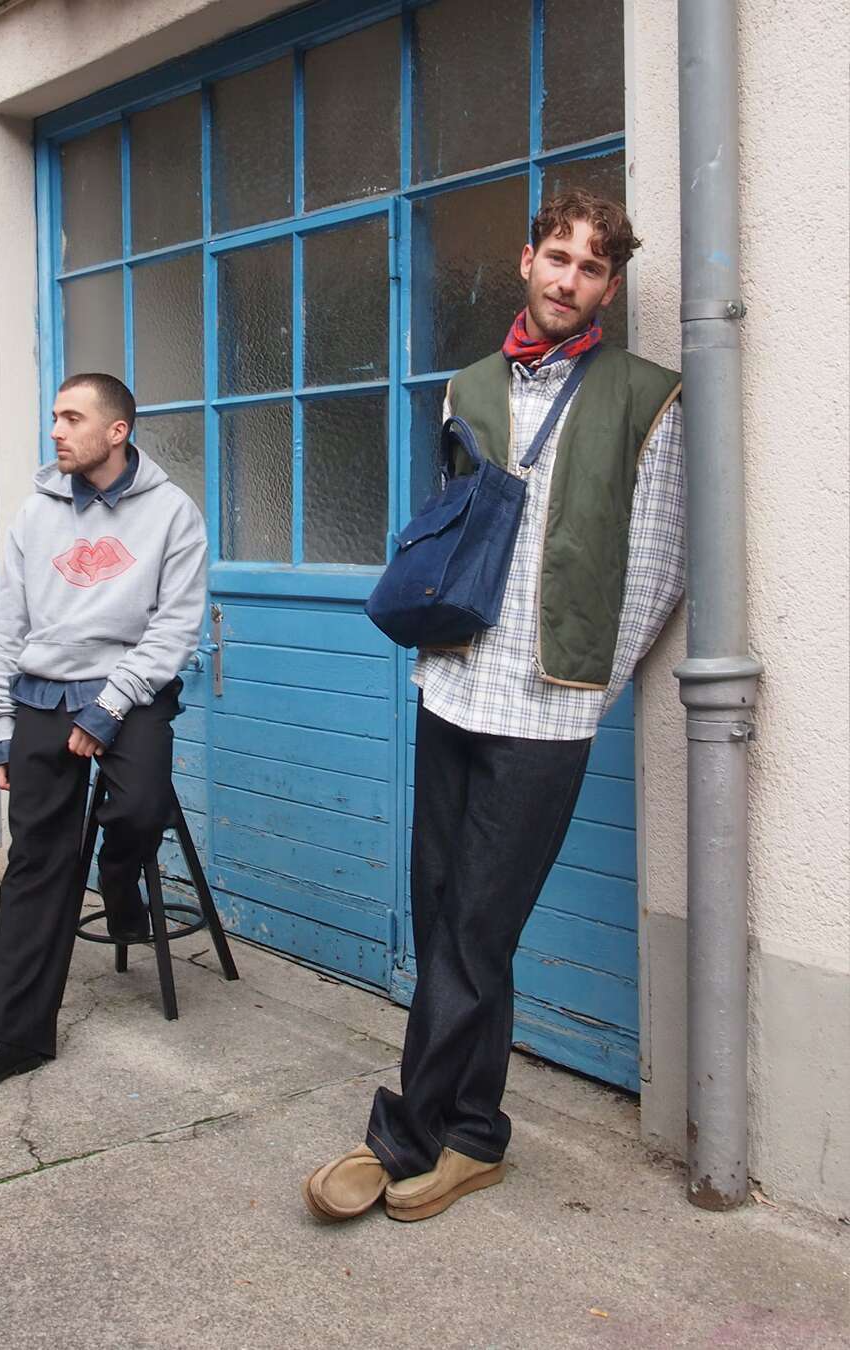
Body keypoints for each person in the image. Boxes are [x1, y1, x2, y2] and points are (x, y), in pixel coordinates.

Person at [303, 190, 684, 1223]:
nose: (568, 281)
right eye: (556, 258)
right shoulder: (467, 387)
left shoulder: (647, 397)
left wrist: (588, 691)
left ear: (611, 286)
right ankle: (474, 1133)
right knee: (448, 921)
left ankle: (403, 1135)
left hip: (547, 711)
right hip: (453, 686)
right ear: (526, 261)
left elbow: (655, 568)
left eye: (592, 268)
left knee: (477, 927)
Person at [0, 373, 207, 1101]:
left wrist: (109, 709)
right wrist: (1, 726)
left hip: (131, 692)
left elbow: (174, 629)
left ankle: (121, 889)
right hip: (42, 697)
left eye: (72, 417)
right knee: (37, 863)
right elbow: (7, 629)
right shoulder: (34, 515)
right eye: (55, 416)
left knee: (140, 807)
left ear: (117, 431)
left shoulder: (172, 514)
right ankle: (12, 1037)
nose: (56, 429)